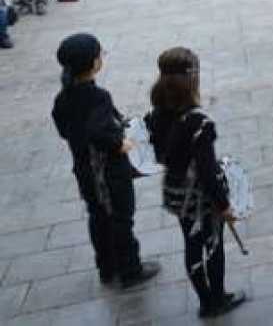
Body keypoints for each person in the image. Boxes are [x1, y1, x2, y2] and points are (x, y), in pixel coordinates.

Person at [51, 33, 161, 288]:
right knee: (121, 218)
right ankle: (130, 269)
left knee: (98, 217)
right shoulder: (97, 96)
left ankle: (107, 266)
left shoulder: (63, 97)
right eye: (100, 54)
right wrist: (119, 143)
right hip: (108, 172)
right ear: (93, 63)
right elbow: (98, 131)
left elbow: (63, 129)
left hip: (84, 169)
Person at [146, 47, 247, 318]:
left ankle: (205, 300)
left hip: (175, 190)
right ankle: (217, 298)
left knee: (191, 243)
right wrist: (224, 204)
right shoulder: (199, 122)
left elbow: (158, 155)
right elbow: (207, 170)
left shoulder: (156, 113)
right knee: (213, 246)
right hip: (201, 196)